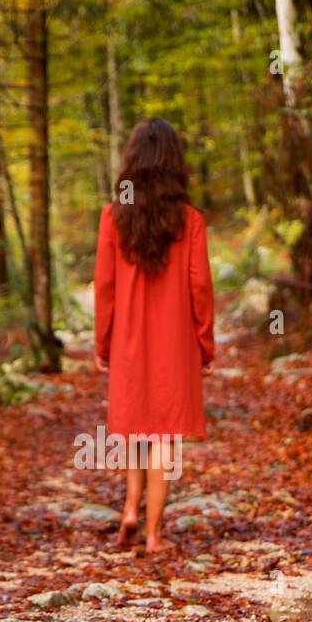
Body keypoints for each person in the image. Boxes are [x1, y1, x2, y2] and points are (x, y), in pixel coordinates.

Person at [94, 117, 215, 555]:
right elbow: (200, 286)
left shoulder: (113, 217)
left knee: (133, 431)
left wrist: (102, 344)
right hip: (173, 344)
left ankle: (130, 508)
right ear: (173, 162)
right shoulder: (190, 220)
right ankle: (152, 535)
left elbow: (104, 286)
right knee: (163, 436)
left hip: (127, 340)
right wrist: (205, 342)